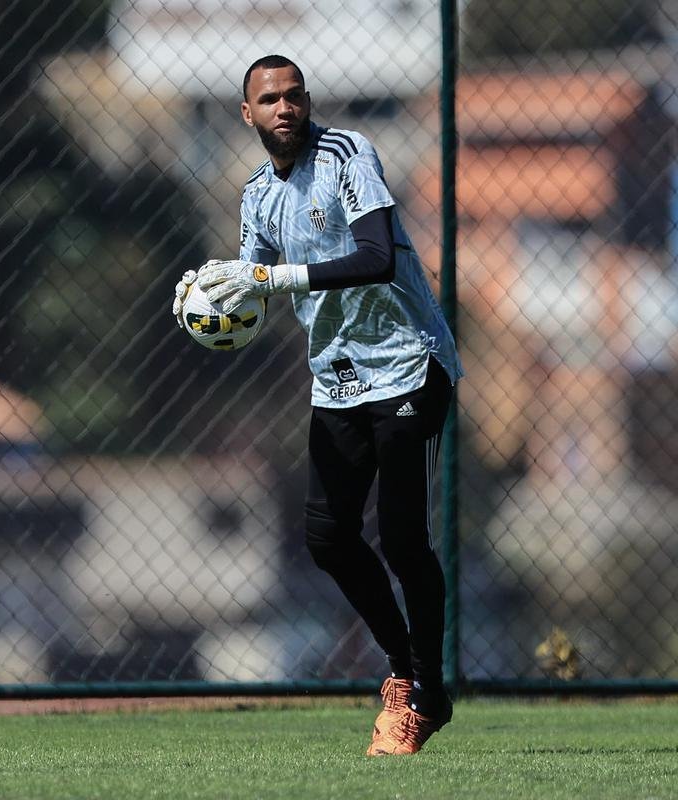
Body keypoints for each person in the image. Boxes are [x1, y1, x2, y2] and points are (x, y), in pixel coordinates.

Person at [172, 54, 463, 756]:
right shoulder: (255, 196)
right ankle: (406, 671)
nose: (285, 107)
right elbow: (252, 288)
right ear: (247, 113)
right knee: (328, 537)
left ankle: (424, 693)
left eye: (294, 95)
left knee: (402, 539)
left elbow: (376, 258)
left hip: (408, 365)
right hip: (338, 378)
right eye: (270, 98)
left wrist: (269, 278)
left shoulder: (347, 155)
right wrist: (211, 302)